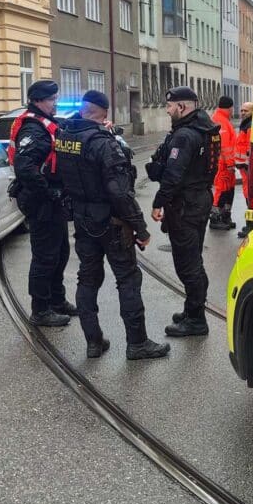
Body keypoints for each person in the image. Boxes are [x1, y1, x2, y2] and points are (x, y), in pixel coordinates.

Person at [56, 90, 171, 360]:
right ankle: (137, 343)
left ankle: (93, 342)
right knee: (128, 279)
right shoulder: (104, 144)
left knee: (87, 278)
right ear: (105, 114)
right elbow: (120, 192)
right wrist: (141, 229)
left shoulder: (64, 137)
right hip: (112, 222)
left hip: (83, 220)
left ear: (83, 110)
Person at [145, 86, 220, 337]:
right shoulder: (204, 128)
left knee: (188, 264)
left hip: (186, 205)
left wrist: (158, 202)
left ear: (182, 107)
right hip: (198, 200)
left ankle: (196, 319)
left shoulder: (186, 135)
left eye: (170, 106)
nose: (167, 110)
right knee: (193, 259)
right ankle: (192, 309)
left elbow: (174, 176)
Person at [10, 80, 76, 327]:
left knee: (60, 252)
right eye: (51, 100)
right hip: (41, 201)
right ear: (38, 100)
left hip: (52, 200)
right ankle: (40, 309)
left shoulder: (46, 123)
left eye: (56, 98)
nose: (55, 103)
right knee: (45, 256)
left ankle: (57, 300)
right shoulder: (33, 129)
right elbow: (24, 167)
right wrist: (48, 192)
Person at [209, 96, 237, 231]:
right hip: (223, 164)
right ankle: (215, 218)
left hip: (225, 163)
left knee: (228, 190)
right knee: (221, 190)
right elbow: (225, 146)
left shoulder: (223, 119)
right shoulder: (221, 121)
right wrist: (231, 163)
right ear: (230, 107)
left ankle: (225, 216)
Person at [234, 101, 253, 238]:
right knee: (248, 196)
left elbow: (251, 147)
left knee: (251, 197)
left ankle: (251, 226)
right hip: (244, 168)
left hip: (248, 168)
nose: (243, 113)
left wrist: (247, 165)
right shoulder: (245, 125)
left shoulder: (250, 126)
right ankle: (250, 224)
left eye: (246, 111)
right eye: (242, 110)